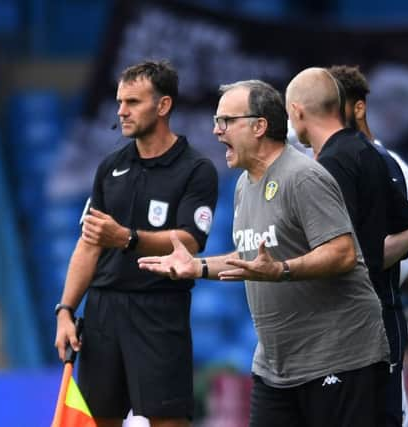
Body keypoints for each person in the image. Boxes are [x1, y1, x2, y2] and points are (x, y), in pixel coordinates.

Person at [138, 79, 390, 427]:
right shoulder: (244, 185)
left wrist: (282, 270)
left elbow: (343, 253)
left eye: (226, 120)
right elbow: (252, 260)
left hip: (338, 358)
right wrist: (196, 266)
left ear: (259, 126)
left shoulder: (302, 177)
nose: (215, 130)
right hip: (276, 367)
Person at [54, 60, 219, 427]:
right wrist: (66, 310)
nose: (121, 111)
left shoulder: (195, 169)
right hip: (103, 312)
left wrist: (127, 239)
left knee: (168, 421)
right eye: (119, 102)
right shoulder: (110, 167)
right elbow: (89, 244)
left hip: (159, 310)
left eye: (133, 102)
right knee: (99, 421)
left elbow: (190, 241)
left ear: (163, 106)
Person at [328, 64, 408, 427]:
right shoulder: (325, 168)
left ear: (359, 108)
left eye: (335, 108)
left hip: (375, 320)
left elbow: (403, 251)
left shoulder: (390, 167)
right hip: (331, 325)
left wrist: (338, 267)